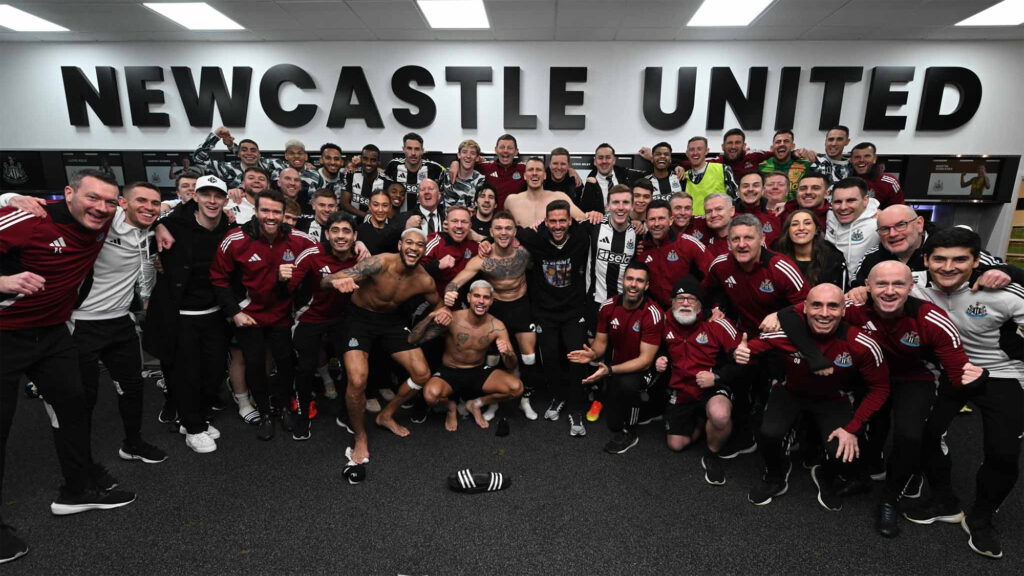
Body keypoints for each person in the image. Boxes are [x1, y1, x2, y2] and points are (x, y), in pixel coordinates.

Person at [776, 260, 984, 537]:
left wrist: (978, 380)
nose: (889, 291)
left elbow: (959, 372)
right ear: (868, 287)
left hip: (915, 380)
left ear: (912, 287)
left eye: (898, 284)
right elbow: (795, 314)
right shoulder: (852, 307)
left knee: (911, 436)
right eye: (881, 284)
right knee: (861, 422)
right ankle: (860, 476)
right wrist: (777, 315)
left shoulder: (931, 319)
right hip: (869, 375)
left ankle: (889, 499)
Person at [1, 170, 136, 563]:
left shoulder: (105, 218)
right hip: (4, 333)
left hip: (52, 332)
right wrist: (4, 281)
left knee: (73, 405)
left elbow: (157, 209)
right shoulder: (31, 218)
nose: (101, 208)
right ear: (67, 194)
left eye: (110, 202)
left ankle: (77, 489)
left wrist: (159, 230)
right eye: (92, 198)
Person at [907, 227, 1022, 559]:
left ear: (976, 262)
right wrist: (857, 294)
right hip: (950, 371)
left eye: (960, 260)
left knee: (1003, 453)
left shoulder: (1003, 293)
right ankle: (944, 499)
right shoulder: (916, 287)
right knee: (926, 434)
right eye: (939, 259)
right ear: (926, 260)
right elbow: (878, 285)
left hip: (1003, 375)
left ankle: (982, 515)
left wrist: (1012, 272)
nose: (948, 267)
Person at [736, 283, 890, 511]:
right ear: (804, 308)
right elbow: (748, 350)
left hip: (833, 398)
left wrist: (853, 427)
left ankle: (825, 474)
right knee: (769, 433)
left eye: (833, 306)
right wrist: (741, 353)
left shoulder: (861, 344)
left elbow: (880, 388)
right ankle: (776, 475)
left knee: (842, 450)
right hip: (791, 391)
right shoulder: (782, 334)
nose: (825, 313)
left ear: (844, 310)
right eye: (817, 305)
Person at [322, 228, 446, 464]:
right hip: (359, 319)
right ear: (399, 245)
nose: (413, 248)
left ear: (424, 251)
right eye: (409, 242)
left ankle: (386, 415)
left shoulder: (424, 280)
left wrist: (443, 313)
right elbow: (325, 280)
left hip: (391, 321)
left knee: (422, 374)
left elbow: (438, 304)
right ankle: (360, 436)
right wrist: (339, 282)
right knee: (358, 380)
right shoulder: (378, 263)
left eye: (419, 245)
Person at [209, 190, 317, 441]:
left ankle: (281, 409)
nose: (271, 217)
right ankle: (265, 413)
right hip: (250, 315)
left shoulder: (297, 238)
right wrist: (234, 312)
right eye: (265, 211)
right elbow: (218, 278)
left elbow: (325, 252)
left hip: (281, 314)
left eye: (276, 212)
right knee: (255, 364)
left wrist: (359, 243)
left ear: (283, 214)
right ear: (256, 211)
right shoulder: (235, 238)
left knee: (286, 363)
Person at [144, 175, 233, 453]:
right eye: (205, 194)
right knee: (186, 374)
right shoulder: (171, 225)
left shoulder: (229, 228)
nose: (212, 200)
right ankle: (193, 427)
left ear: (225, 200)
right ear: (194, 196)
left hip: (214, 313)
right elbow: (135, 223)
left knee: (214, 371)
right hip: (179, 313)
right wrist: (157, 224)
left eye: (217, 195)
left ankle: (194, 418)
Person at [444, 211, 540, 420]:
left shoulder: (525, 253)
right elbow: (457, 281)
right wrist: (450, 292)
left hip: (521, 306)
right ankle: (493, 403)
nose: (503, 233)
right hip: (496, 309)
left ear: (515, 231)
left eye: (508, 228)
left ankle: (525, 399)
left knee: (529, 356)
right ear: (491, 232)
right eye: (498, 228)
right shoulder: (482, 260)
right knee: (494, 357)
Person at [515, 200, 592, 436]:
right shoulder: (536, 238)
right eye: (553, 221)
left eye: (562, 220)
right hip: (545, 312)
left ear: (570, 221)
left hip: (573, 312)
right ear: (546, 222)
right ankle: (558, 397)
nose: (558, 226)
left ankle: (576, 408)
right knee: (549, 358)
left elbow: (602, 220)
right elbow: (507, 229)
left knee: (576, 358)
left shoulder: (581, 235)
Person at [655, 276, 742, 484]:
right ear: (672, 302)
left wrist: (717, 376)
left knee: (719, 415)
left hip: (712, 387)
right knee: (676, 444)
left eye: (691, 299)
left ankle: (712, 453)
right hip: (682, 390)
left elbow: (744, 364)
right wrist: (659, 358)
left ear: (701, 305)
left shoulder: (718, 324)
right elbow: (653, 347)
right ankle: (703, 424)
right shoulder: (664, 322)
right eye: (680, 298)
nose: (685, 303)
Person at [568, 262, 662, 453]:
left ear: (646, 285)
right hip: (617, 366)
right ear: (623, 281)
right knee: (613, 423)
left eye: (639, 280)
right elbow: (601, 344)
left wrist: (609, 370)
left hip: (645, 370)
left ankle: (631, 431)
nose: (633, 284)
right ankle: (645, 409)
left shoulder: (653, 314)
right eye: (630, 279)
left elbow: (645, 361)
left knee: (629, 387)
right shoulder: (608, 306)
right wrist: (592, 354)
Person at [414, 280, 523, 431]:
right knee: (430, 396)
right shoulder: (452, 318)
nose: (481, 301)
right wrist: (431, 316)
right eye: (477, 296)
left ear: (491, 300)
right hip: (450, 371)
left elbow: (511, 365)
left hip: (477, 371)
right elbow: (414, 339)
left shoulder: (497, 326)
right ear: (469, 297)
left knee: (516, 388)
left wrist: (508, 354)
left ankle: (476, 404)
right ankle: (450, 407)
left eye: (486, 297)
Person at [287, 212, 359, 441]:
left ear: (355, 236)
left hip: (342, 318)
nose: (340, 236)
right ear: (327, 234)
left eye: (346, 231)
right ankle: (302, 414)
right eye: (335, 231)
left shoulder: (360, 258)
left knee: (351, 366)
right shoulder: (312, 254)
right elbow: (288, 285)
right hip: (310, 317)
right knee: (306, 368)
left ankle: (344, 413)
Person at [850, 204, 1014, 293]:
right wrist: (859, 292)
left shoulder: (948, 245)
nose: (893, 234)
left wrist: (1000, 273)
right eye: (885, 229)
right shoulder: (873, 257)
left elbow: (1004, 269)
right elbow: (857, 286)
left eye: (901, 225)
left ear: (919, 224)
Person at [638, 199, 709, 308]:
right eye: (652, 219)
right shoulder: (641, 249)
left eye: (661, 218)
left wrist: (710, 306)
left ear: (671, 220)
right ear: (646, 222)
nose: (656, 224)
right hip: (658, 314)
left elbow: (713, 274)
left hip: (687, 310)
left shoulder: (688, 244)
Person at [503, 157, 591, 227]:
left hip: (551, 249)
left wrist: (593, 215)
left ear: (544, 175)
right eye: (530, 170)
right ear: (525, 176)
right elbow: (504, 227)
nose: (534, 173)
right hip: (521, 249)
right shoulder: (511, 201)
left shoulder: (559, 197)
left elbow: (583, 219)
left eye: (538, 170)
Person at [774, 209, 848, 289]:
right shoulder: (777, 259)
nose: (801, 228)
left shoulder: (833, 259)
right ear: (788, 231)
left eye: (807, 223)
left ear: (816, 230)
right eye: (795, 224)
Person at [825, 177, 880, 279]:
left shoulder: (878, 223)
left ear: (865, 200)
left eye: (850, 200)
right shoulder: (829, 215)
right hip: (832, 286)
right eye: (837, 202)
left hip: (861, 288)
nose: (843, 207)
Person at [384, 132, 446, 212]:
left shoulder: (434, 168)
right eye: (409, 148)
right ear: (403, 149)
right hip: (399, 219)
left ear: (422, 151)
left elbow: (450, 175)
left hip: (424, 220)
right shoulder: (393, 165)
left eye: (417, 149)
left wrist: (456, 164)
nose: (413, 153)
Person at [190, 127, 269, 188]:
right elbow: (198, 158)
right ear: (238, 154)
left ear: (259, 154)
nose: (249, 153)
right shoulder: (227, 169)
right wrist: (216, 136)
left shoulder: (269, 166)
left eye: (253, 150)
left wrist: (231, 146)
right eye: (244, 150)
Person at [578, 143, 645, 213]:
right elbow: (584, 212)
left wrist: (651, 158)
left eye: (608, 157)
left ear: (614, 160)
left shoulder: (628, 175)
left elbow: (649, 175)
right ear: (595, 162)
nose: (604, 161)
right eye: (600, 158)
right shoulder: (590, 183)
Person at [682, 136, 737, 215]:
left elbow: (735, 199)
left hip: (718, 222)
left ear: (707, 151)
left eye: (699, 149)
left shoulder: (723, 169)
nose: (695, 153)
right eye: (691, 150)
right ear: (687, 153)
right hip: (694, 224)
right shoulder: (684, 176)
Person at [478, 134, 527, 210]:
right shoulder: (485, 167)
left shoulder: (525, 169)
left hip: (516, 219)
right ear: (496, 150)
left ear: (516, 151)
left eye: (510, 148)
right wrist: (456, 163)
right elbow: (465, 166)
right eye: (502, 147)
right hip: (491, 219)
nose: (505, 151)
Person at [758, 130, 811, 199]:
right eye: (778, 142)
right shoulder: (761, 166)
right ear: (772, 147)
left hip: (795, 209)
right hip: (769, 208)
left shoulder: (805, 165)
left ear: (792, 146)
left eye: (786, 141)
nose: (782, 144)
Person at [848, 142, 903, 208]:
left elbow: (899, 210)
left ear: (875, 159)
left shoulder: (890, 182)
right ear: (851, 160)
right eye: (857, 157)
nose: (861, 160)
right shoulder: (843, 179)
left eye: (867, 156)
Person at [734, 172, 782, 247]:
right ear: (738, 191)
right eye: (745, 186)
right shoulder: (728, 218)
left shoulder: (775, 217)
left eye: (755, 185)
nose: (750, 189)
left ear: (763, 190)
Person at [341, 144, 387, 218]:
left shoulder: (386, 181)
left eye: (373, 160)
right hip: (353, 223)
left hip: (375, 225)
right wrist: (366, 216)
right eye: (365, 159)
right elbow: (344, 203)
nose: (368, 163)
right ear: (361, 159)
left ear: (379, 162)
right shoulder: (351, 175)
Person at [439, 139, 486, 208]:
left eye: (472, 153)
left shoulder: (481, 180)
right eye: (464, 152)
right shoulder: (446, 174)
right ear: (458, 155)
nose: (468, 156)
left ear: (477, 158)